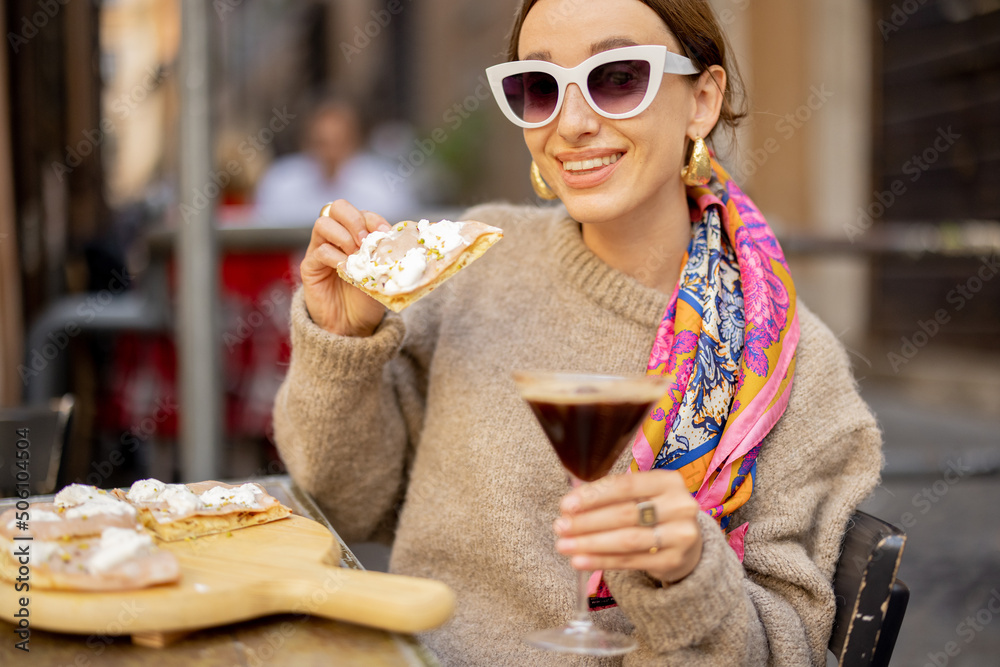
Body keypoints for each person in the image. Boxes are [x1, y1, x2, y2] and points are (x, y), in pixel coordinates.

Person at [272, 0, 882, 664]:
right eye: (539, 87)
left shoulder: (792, 364)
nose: (573, 123)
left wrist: (690, 572)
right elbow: (345, 504)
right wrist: (344, 346)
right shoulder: (475, 272)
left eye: (618, 77)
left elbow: (793, 648)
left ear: (702, 100)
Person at [253, 100, 417, 225]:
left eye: (339, 143)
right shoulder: (280, 182)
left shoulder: (383, 185)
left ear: (356, 142)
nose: (330, 154)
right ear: (305, 143)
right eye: (322, 143)